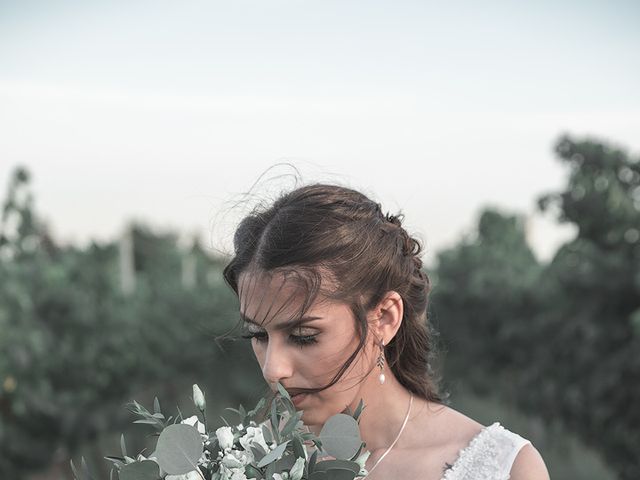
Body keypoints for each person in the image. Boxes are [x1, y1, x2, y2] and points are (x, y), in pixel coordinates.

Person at [222, 183, 550, 480]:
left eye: (304, 336)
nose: (273, 369)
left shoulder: (505, 469)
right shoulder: (242, 461)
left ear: (385, 318)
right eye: (258, 335)